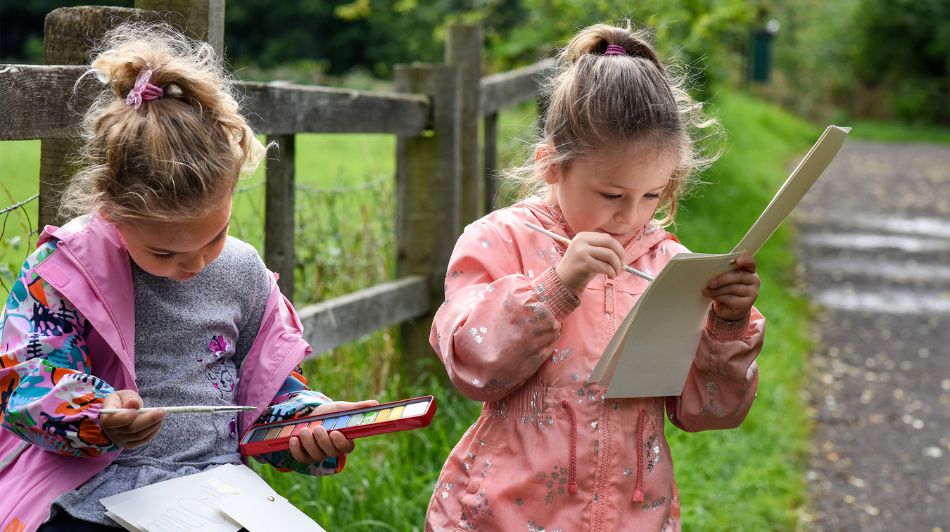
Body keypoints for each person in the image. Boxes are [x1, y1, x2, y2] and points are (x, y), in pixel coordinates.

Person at [0, 23, 373, 532]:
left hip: (215, 490)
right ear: (112, 209)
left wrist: (305, 427)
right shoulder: (67, 271)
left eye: (214, 237)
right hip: (89, 492)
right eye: (163, 251)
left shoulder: (244, 274)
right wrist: (98, 416)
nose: (195, 263)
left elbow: (272, 391)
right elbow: (25, 382)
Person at [426, 23, 764, 531]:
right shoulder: (500, 241)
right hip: (500, 515)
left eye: (651, 195)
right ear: (551, 166)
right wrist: (556, 287)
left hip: (632, 518)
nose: (631, 216)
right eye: (611, 195)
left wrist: (728, 325)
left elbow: (708, 411)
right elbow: (474, 366)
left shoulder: (667, 263)